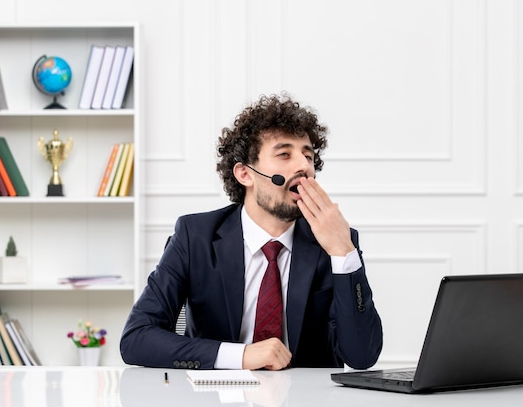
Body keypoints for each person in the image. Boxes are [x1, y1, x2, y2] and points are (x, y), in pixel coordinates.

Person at [120, 93, 383, 370]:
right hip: (216, 397)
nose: (304, 166)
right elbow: (136, 338)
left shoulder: (334, 241)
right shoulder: (194, 236)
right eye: (284, 154)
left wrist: (343, 252)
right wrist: (241, 356)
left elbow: (361, 356)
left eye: (308, 155)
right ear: (245, 174)